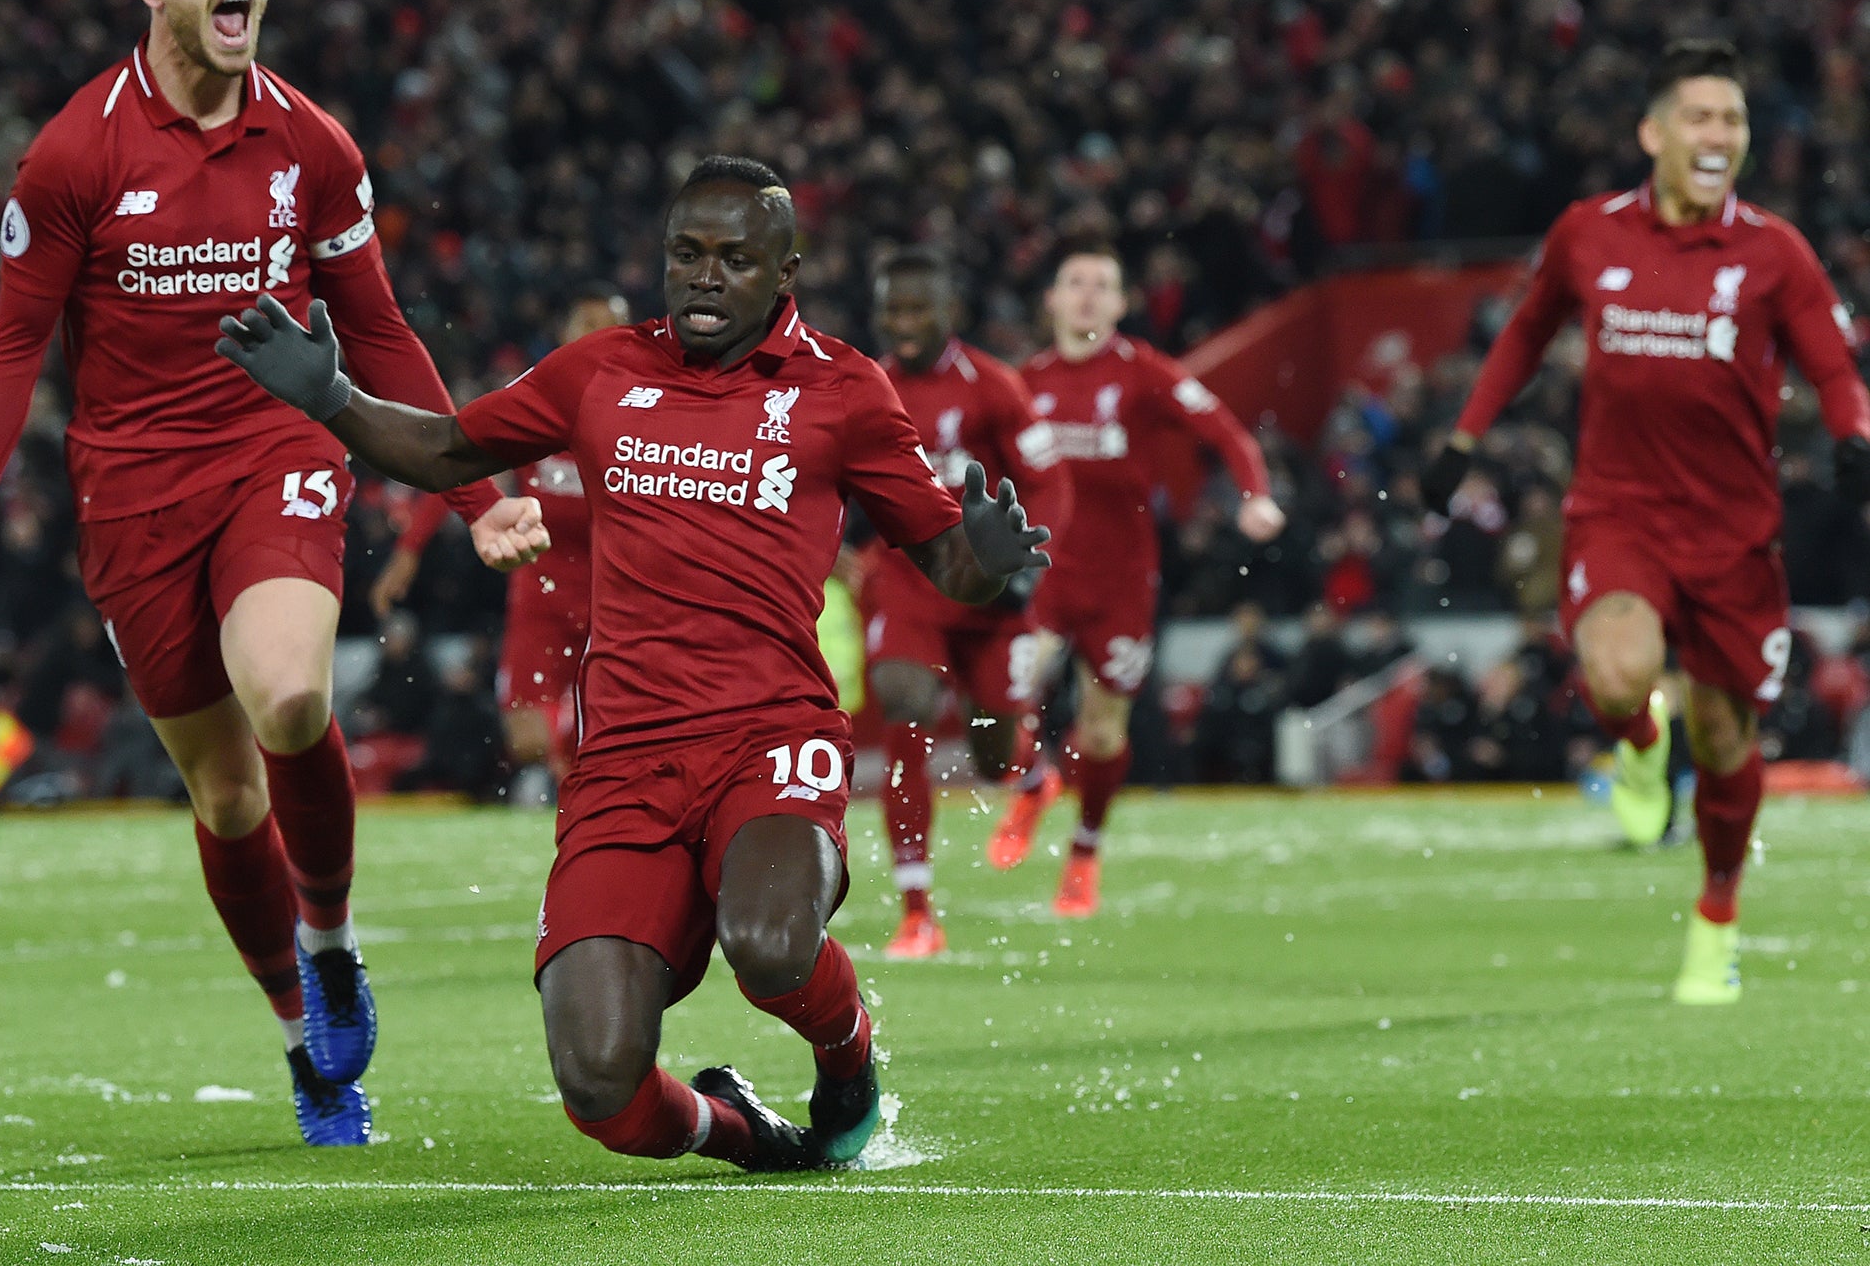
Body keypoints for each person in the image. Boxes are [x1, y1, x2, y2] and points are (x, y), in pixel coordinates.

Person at [214, 155, 1052, 1171]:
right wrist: (333, 397)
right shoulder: (600, 369)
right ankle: (752, 1138)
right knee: (599, 1085)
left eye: (734, 259)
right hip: (624, 763)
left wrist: (991, 565)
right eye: (685, 255)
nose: (704, 277)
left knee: (772, 945)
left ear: (784, 271)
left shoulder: (844, 391)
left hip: (771, 737)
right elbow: (445, 449)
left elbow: (946, 560)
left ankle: (848, 1061)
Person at [0, 0, 542, 1144]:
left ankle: (335, 942)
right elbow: (9, 349)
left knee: (291, 694)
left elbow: (376, 327)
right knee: (226, 796)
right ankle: (306, 1039)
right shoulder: (75, 150)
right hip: (131, 487)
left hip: (274, 448)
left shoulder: (312, 142)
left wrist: (479, 493)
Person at [1421, 39, 1870, 1005]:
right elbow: (1528, 331)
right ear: (1653, 133)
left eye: (1734, 122)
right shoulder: (1589, 234)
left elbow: (1833, 365)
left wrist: (1853, 434)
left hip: (1734, 531)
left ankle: (1716, 916)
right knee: (1617, 669)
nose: (1720, 137)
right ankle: (1634, 743)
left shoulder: (1773, 250)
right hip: (1618, 508)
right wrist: (1462, 441)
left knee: (1724, 739)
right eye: (1702, 118)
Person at [1013, 247, 1285, 916]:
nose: (1086, 295)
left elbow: (1226, 431)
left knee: (1103, 734)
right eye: (1074, 282)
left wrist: (1254, 494)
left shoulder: (1143, 373)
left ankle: (1083, 852)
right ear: (1050, 299)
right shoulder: (1024, 382)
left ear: (1120, 304)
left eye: (1101, 285)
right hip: (1043, 572)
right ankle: (1034, 782)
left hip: (1122, 583)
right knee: (1001, 695)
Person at [862, 249, 1070, 958]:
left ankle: (1034, 777)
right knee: (903, 701)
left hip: (988, 591)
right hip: (908, 580)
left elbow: (1049, 482)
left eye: (918, 309)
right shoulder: (866, 387)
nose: (904, 324)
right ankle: (917, 911)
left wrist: (1028, 561)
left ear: (950, 311)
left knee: (990, 756)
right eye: (893, 310)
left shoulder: (995, 386)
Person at [369, 287, 631, 795]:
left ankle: (584, 797)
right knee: (526, 741)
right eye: (587, 324)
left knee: (613, 736)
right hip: (543, 598)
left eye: (610, 326)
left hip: (619, 601)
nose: (598, 337)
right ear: (566, 337)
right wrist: (407, 553)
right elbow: (460, 462)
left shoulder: (650, 413)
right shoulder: (538, 401)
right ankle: (572, 764)